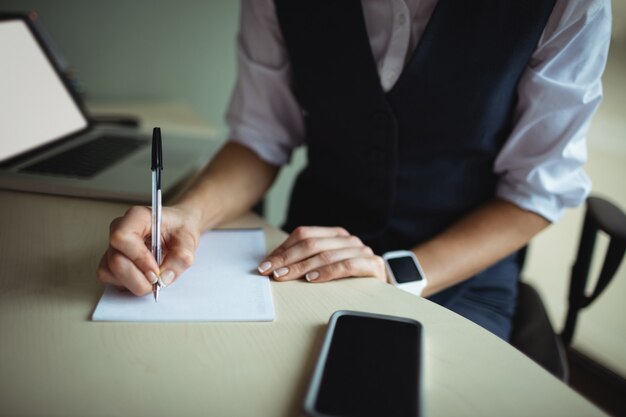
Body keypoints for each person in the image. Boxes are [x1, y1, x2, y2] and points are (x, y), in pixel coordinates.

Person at [97, 0, 611, 340]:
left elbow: (536, 193)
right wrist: (189, 212)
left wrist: (394, 272)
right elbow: (260, 137)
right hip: (299, 257)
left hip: (456, 274)